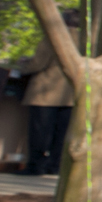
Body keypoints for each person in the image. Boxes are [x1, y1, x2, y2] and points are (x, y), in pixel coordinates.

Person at [13, 10, 82, 176]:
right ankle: (55, 166)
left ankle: (36, 166)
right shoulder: (87, 40)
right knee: (61, 134)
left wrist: (23, 65)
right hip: (70, 93)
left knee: (40, 132)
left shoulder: (54, 36)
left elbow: (39, 63)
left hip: (46, 91)